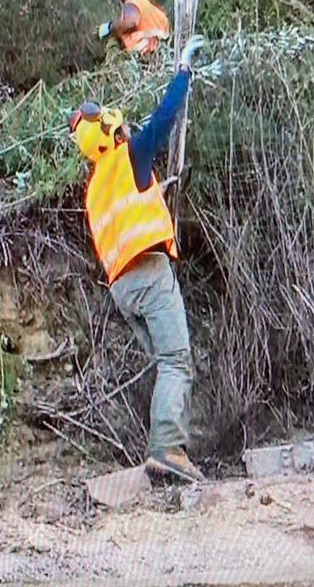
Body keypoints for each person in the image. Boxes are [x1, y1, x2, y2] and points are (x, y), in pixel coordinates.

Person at [68, 35, 206, 482]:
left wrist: (157, 196)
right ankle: (167, 449)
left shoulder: (95, 187)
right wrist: (183, 71)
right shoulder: (132, 155)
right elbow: (165, 118)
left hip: (123, 289)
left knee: (167, 362)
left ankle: (170, 444)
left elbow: (128, 217)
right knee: (176, 361)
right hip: (148, 273)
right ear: (114, 131)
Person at [98, 0, 170, 56]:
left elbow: (130, 23)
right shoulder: (156, 10)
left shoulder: (132, 4)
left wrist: (110, 27)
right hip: (159, 57)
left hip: (139, 57)